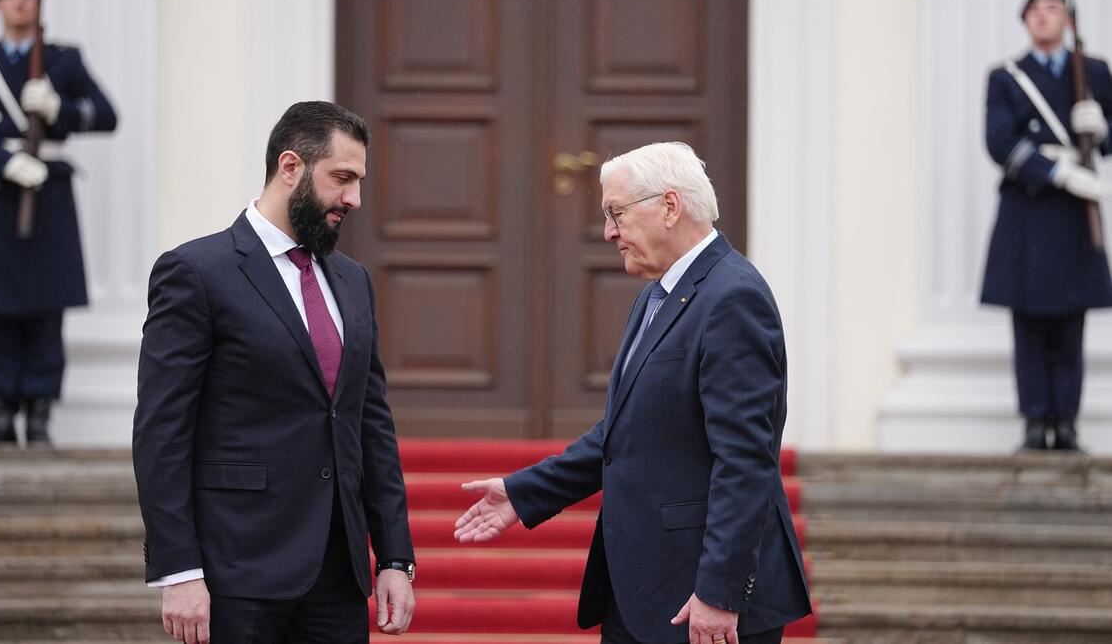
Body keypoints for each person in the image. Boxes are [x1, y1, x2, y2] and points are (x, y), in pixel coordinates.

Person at [455, 142, 812, 644]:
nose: (608, 232)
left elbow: (746, 461)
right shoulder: (658, 295)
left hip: (700, 602)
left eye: (616, 212)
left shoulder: (733, 297)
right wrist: (525, 492)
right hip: (644, 593)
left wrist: (719, 592)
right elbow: (625, 433)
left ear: (669, 206)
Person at [132, 101, 416, 644]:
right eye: (342, 178)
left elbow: (370, 425)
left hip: (339, 575)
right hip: (235, 574)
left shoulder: (353, 281)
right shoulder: (194, 272)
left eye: (358, 181)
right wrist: (180, 571)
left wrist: (395, 558)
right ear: (291, 167)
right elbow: (161, 432)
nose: (354, 198)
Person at [0, 0, 117, 444]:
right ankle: (0, 408)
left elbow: (106, 114)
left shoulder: (62, 59)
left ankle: (39, 409)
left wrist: (61, 111)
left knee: (46, 307)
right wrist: (0, 162)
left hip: (48, 198)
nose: (22, 2)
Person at [981, 0, 1112, 452]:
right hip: (1028, 210)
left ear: (1067, 21)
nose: (1042, 16)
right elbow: (999, 141)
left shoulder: (1093, 71)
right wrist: (1056, 172)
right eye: (1033, 10)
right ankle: (1036, 423)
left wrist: (1101, 128)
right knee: (1030, 322)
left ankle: (1068, 423)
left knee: (1071, 322)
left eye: (1052, 8)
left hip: (1075, 216)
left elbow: (1109, 139)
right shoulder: (1007, 76)